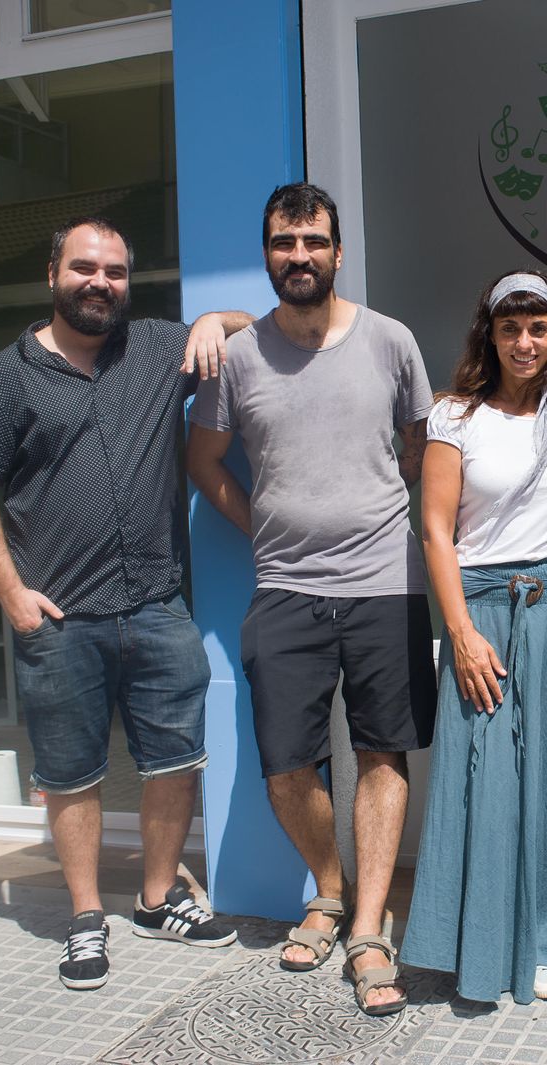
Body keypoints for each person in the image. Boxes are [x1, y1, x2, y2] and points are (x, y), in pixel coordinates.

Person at [0, 216, 252, 991]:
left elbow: (254, 325)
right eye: (84, 268)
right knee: (72, 772)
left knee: (175, 760)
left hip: (157, 605)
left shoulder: (155, 347)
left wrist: (216, 319)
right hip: (60, 617)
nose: (99, 283)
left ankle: (155, 897)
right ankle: (86, 915)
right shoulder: (6, 376)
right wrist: (12, 593)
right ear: (53, 273)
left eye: (114, 271)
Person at [186, 183, 436, 1017]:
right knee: (285, 763)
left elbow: (417, 452)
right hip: (285, 587)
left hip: (383, 583)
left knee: (381, 753)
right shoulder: (240, 356)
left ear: (338, 249)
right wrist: (260, 523)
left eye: (313, 241)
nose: (299, 255)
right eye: (284, 242)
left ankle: (367, 926)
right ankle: (328, 888)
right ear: (267, 252)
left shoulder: (391, 342)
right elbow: (205, 461)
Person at [401, 269, 547, 1004]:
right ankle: (477, 937)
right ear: (488, 335)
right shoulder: (454, 416)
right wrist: (458, 633)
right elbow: (434, 529)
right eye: (510, 327)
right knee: (481, 778)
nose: (525, 342)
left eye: (539, 327)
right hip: (484, 607)